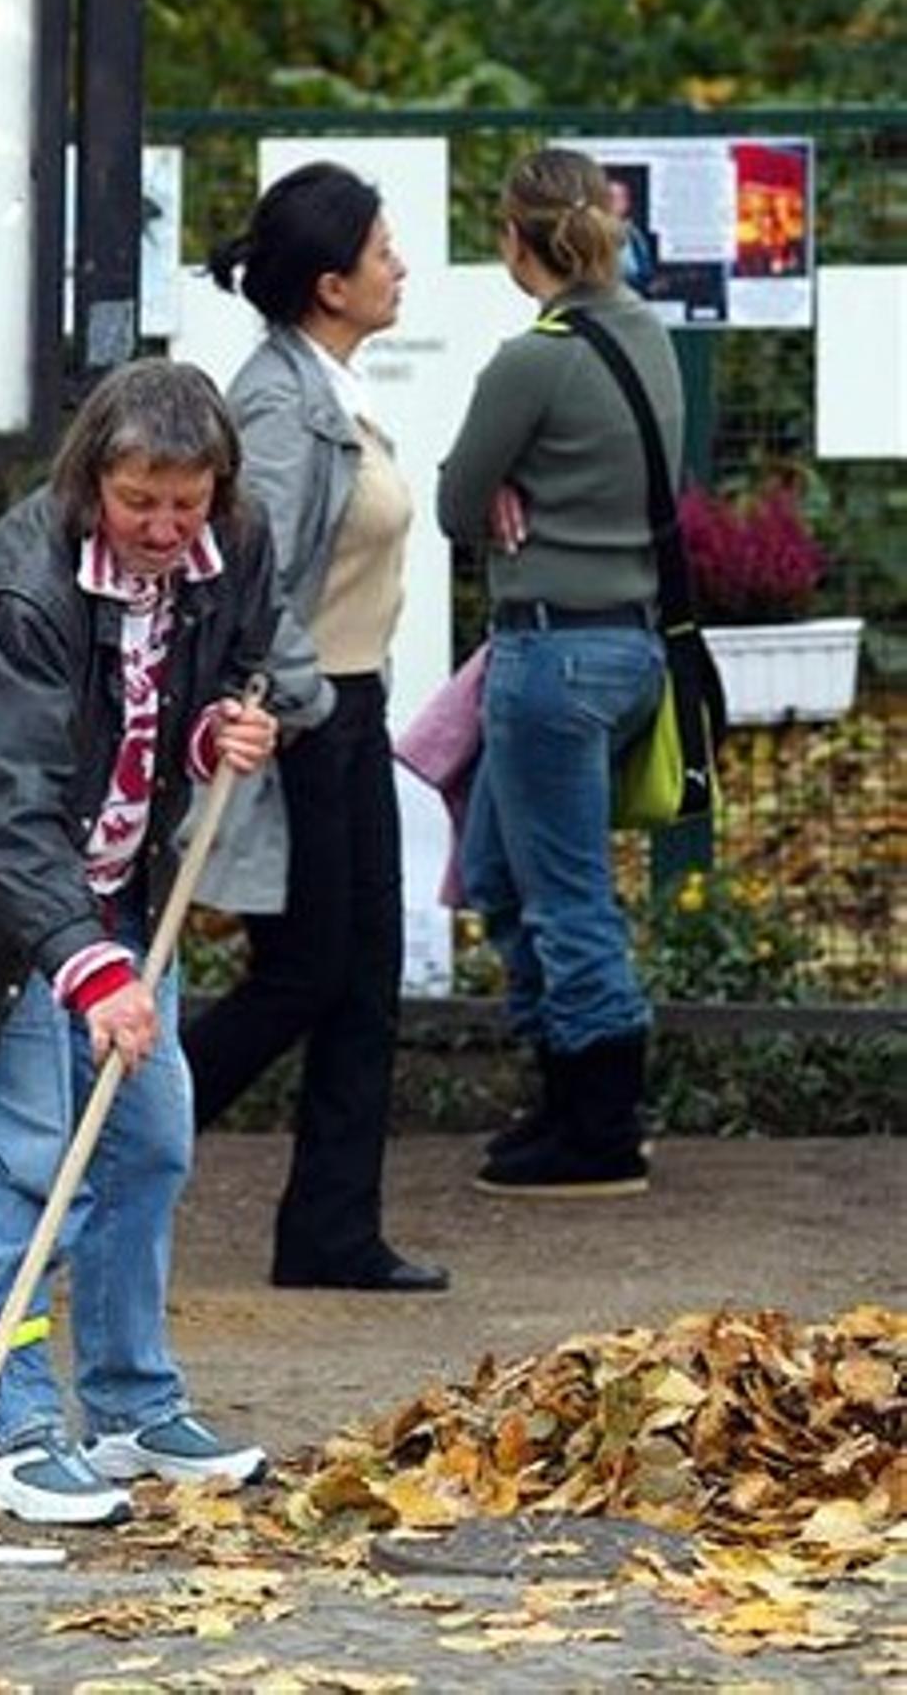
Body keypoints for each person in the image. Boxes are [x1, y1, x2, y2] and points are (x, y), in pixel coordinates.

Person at [0, 359, 280, 1526]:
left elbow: (230, 663)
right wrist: (86, 962)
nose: (162, 529)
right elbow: (6, 804)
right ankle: (16, 1430)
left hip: (116, 891)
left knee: (148, 1145)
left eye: (185, 505)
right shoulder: (22, 596)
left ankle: (131, 1407)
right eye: (138, 502)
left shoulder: (233, 546)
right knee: (22, 1161)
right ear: (92, 477)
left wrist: (219, 730)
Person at [181, 161, 448, 1295]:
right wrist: (306, 701)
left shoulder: (326, 388)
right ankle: (102, 1137)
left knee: (361, 978)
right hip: (305, 723)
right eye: (384, 251)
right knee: (308, 974)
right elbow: (253, 577)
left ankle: (331, 1231)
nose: (401, 268)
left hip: (347, 710)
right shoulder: (280, 408)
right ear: (332, 284)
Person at [437, 146, 683, 1198]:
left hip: (552, 656)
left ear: (515, 239)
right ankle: (565, 1094)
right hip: (626, 647)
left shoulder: (532, 359)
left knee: (566, 897)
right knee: (498, 870)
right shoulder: (642, 332)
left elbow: (456, 502)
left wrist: (499, 493)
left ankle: (599, 1129)